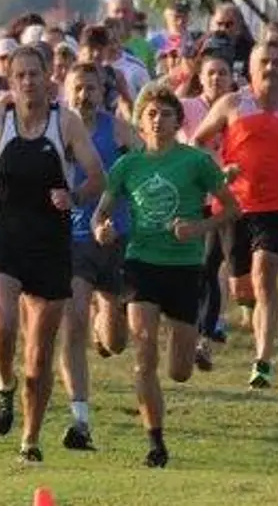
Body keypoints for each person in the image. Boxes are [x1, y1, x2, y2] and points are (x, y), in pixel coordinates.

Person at [0, 46, 107, 464]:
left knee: (39, 356)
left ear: (47, 78)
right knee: (1, 327)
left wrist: (73, 194)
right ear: (10, 80)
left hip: (49, 246)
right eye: (18, 75)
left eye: (33, 74)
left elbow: (98, 175)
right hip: (3, 240)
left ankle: (30, 440)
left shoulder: (66, 123)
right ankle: (3, 384)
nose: (26, 81)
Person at [92, 85, 238, 468]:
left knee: (180, 372)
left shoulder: (196, 163)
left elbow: (232, 209)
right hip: (142, 264)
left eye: (166, 114)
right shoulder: (127, 166)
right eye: (151, 114)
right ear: (140, 122)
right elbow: (101, 212)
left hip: (186, 269)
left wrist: (197, 228)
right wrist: (101, 230)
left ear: (178, 122)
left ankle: (182, 345)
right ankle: (155, 443)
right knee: (144, 352)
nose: (158, 120)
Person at [189, 41, 278, 389]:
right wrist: (220, 170)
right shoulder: (233, 103)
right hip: (234, 206)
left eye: (277, 62)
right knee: (241, 288)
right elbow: (198, 140)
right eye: (264, 62)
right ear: (250, 69)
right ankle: (250, 310)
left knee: (265, 272)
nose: (271, 68)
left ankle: (263, 361)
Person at [58, 63, 140, 453]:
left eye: (91, 88)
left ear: (102, 92)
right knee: (71, 323)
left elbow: (142, 168)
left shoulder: (118, 129)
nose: (84, 95)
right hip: (71, 241)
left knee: (116, 341)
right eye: (78, 88)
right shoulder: (56, 129)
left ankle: (105, 313)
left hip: (115, 237)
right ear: (66, 91)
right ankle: (80, 419)